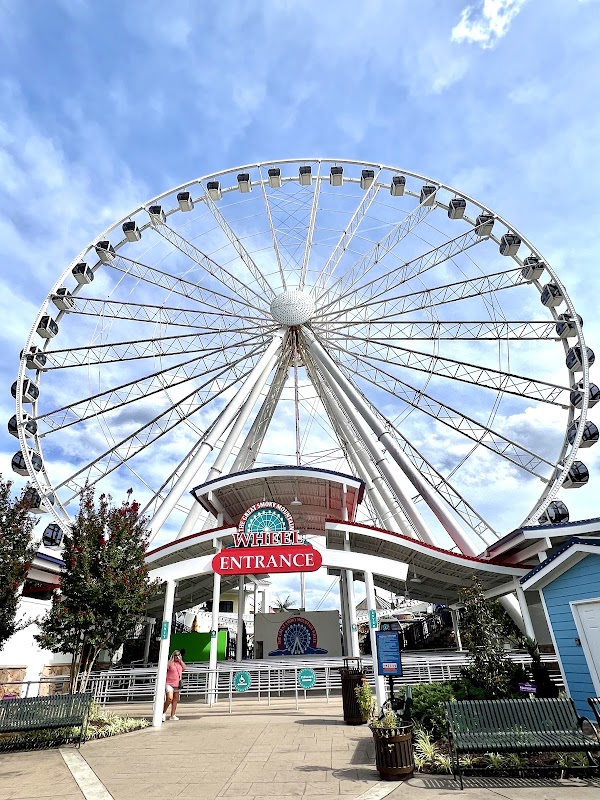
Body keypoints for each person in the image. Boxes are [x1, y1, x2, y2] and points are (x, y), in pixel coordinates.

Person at [162, 650, 186, 721]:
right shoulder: (169, 663)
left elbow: (184, 668)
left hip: (177, 684)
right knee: (169, 698)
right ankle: (163, 712)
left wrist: (180, 660)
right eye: (176, 655)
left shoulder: (180, 664)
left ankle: (173, 715)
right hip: (169, 683)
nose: (177, 656)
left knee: (175, 699)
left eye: (178, 655)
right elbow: (165, 670)